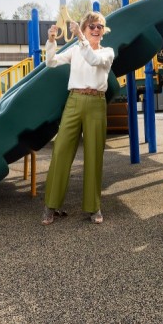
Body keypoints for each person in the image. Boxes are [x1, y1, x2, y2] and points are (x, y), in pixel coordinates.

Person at [41, 12, 115, 225]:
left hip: (96, 102)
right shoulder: (75, 49)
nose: (96, 29)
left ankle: (93, 207)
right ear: (83, 28)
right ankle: (51, 206)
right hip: (74, 101)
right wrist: (52, 41)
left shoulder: (107, 52)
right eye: (91, 26)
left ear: (103, 30)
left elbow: (93, 60)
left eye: (99, 26)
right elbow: (51, 62)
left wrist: (80, 39)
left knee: (94, 154)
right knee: (61, 149)